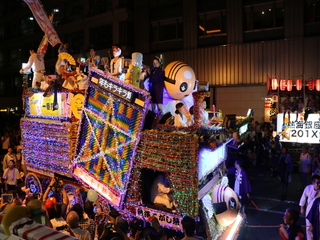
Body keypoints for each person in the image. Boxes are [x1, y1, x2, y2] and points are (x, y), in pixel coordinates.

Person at [299, 174, 320, 240]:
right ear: (313, 183)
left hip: (318, 210)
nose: (319, 184)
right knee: (309, 227)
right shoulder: (308, 188)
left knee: (317, 227)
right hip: (309, 210)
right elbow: (303, 197)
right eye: (317, 183)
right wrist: (302, 208)